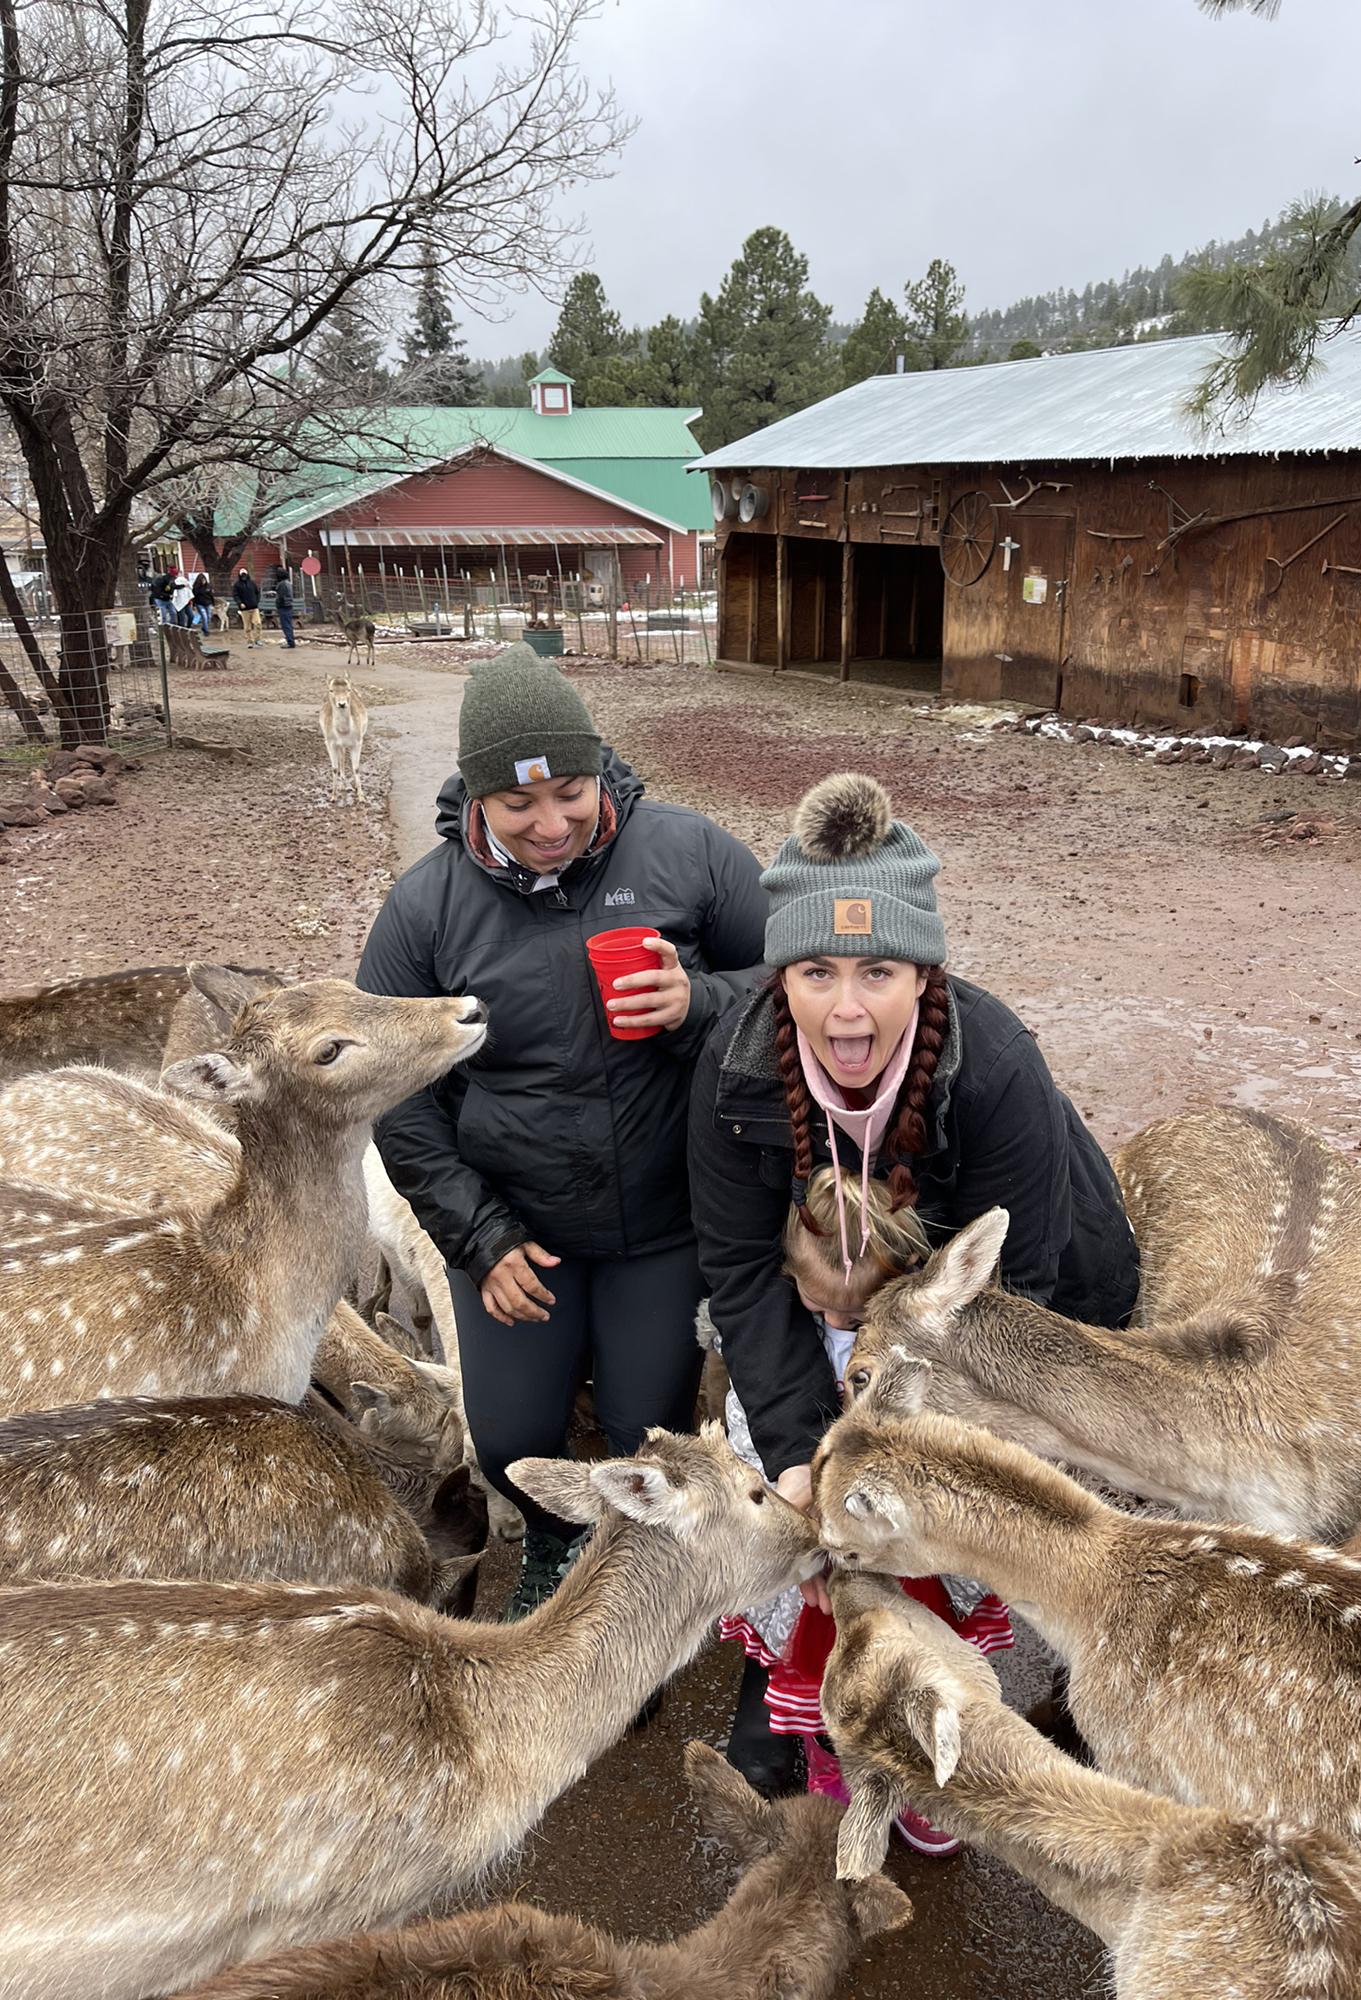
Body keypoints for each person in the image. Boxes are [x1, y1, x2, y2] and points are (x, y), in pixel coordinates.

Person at [689, 770, 1139, 1791]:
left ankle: (947, 1717)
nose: (846, 1010)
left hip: (975, 1316)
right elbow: (739, 1272)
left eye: (878, 970)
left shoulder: (995, 1065)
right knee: (793, 1479)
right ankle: (792, 1684)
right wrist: (810, 1450)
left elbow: (1013, 1293)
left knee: (935, 1509)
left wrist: (910, 1452)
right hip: (821, 1298)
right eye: (815, 972)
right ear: (779, 979)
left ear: (925, 975)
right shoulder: (731, 1067)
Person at [357, 643, 768, 1618]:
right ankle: (551, 1543)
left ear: (597, 770)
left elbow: (795, 983)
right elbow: (397, 1094)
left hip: (661, 1225)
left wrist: (700, 999)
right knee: (511, 1438)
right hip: (516, 1226)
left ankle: (633, 1589)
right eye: (520, 805)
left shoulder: (694, 853)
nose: (552, 824)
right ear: (479, 801)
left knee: (646, 1433)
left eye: (572, 792)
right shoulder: (425, 908)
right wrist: (478, 1235)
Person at [717, 1166, 1013, 1851]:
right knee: (829, 1657)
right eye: (821, 1309)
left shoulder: (937, 1349)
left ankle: (926, 1769)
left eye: (854, 1315)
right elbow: (750, 1423)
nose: (839, 1324)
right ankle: (836, 1753)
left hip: (914, 1551)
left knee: (926, 1658)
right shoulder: (776, 1344)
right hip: (822, 1562)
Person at [231, 569, 262, 646]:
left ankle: (257, 639)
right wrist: (240, 603)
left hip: (254, 607)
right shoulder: (237, 585)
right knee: (247, 626)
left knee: (258, 623)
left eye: (245, 574)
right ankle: (250, 641)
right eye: (242, 575)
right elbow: (235, 595)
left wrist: (256, 601)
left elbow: (257, 592)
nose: (243, 576)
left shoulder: (252, 583)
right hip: (244, 609)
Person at [273, 566, 295, 647]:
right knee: (288, 624)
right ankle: (290, 640)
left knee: (285, 625)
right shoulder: (288, 583)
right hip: (289, 605)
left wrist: (278, 604)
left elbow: (281, 596)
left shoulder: (282, 584)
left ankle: (290, 641)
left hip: (284, 606)